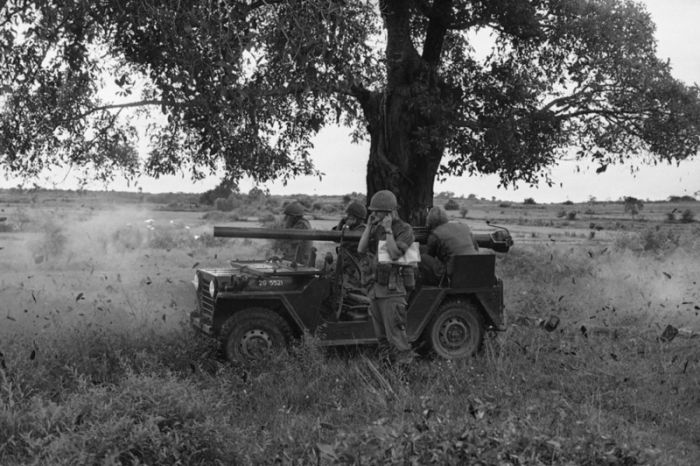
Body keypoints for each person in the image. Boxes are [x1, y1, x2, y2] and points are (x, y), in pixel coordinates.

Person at [357, 190, 416, 364]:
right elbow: (361, 249)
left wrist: (389, 230)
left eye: (377, 211)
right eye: (372, 211)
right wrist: (369, 227)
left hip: (392, 292)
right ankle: (387, 370)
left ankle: (404, 376)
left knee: (397, 338)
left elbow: (395, 254)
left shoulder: (404, 229)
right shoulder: (376, 229)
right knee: (382, 339)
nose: (373, 214)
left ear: (389, 212)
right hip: (376, 290)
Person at [419, 206, 479, 286]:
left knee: (423, 257)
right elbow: (476, 247)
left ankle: (431, 284)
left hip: (453, 271)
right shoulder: (463, 226)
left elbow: (430, 254)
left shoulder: (435, 234)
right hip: (474, 266)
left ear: (430, 221)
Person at [279, 201, 313, 265]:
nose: (285, 218)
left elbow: (287, 240)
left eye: (287, 216)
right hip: (297, 260)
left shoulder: (302, 225)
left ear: (294, 217)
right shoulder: (301, 223)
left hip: (301, 262)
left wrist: (287, 224)